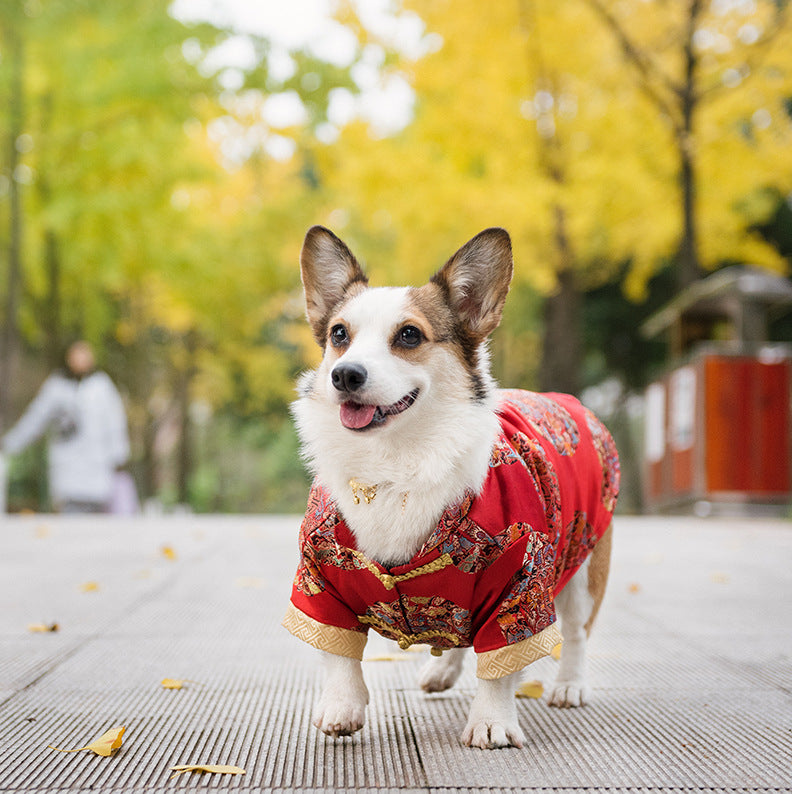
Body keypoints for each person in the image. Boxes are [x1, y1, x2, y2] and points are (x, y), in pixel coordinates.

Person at [0, 341, 131, 513]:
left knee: (99, 526)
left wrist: (119, 455)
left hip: (98, 470)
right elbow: (35, 419)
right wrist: (9, 444)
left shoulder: (102, 386)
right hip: (68, 470)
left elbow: (115, 424)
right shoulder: (56, 387)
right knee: (72, 520)